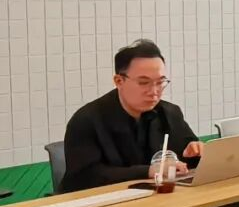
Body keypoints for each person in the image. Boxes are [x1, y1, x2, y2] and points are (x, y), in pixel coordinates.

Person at [62, 40, 201, 192]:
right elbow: (84, 177)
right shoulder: (87, 120)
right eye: (144, 82)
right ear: (119, 81)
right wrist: (149, 171)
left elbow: (187, 159)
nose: (154, 91)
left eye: (160, 82)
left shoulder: (170, 113)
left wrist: (195, 152)